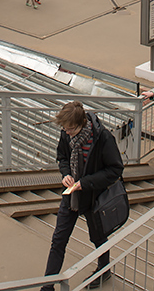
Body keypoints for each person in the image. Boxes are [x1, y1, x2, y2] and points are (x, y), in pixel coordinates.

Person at [38, 101, 123, 291]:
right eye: (65, 129)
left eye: (70, 129)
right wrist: (66, 174)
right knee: (58, 240)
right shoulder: (66, 132)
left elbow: (115, 169)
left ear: (82, 123)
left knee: (98, 237)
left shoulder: (103, 138)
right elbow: (62, 157)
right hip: (72, 197)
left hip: (94, 197)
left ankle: (104, 269)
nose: (66, 132)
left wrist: (84, 183)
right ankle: (47, 287)